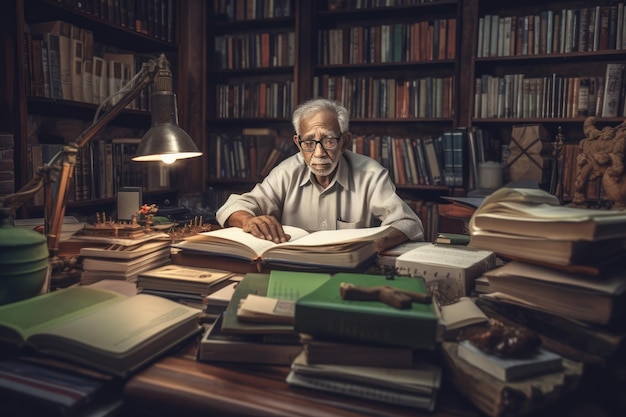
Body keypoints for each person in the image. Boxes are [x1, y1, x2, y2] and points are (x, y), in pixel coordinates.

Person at [215, 98, 424, 252]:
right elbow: (234, 207)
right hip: (294, 269)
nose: (319, 153)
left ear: (345, 141)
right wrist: (247, 221)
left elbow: (408, 222)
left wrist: (376, 243)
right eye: (309, 143)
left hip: (351, 272)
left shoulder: (370, 174)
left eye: (329, 141)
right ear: (298, 143)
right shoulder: (287, 172)